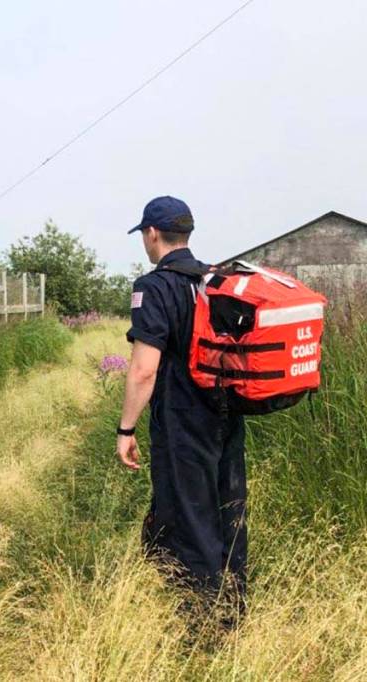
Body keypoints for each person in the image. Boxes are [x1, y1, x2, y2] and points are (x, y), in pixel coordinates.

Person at [115, 196, 247, 617]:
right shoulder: (214, 280)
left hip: (182, 421)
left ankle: (203, 622)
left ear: (152, 234)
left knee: (190, 516)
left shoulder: (153, 287)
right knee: (228, 508)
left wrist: (126, 430)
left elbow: (143, 371)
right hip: (227, 413)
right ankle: (235, 604)